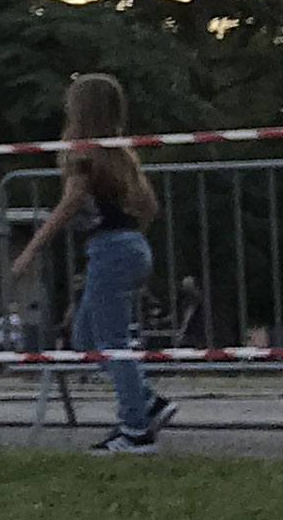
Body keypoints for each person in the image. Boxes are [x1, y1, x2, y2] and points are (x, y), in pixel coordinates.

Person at [12, 73, 169, 453]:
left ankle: (135, 430)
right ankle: (146, 401)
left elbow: (71, 202)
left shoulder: (82, 153)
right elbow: (148, 206)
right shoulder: (120, 155)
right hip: (126, 245)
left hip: (112, 248)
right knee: (85, 338)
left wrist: (33, 248)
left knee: (112, 342)